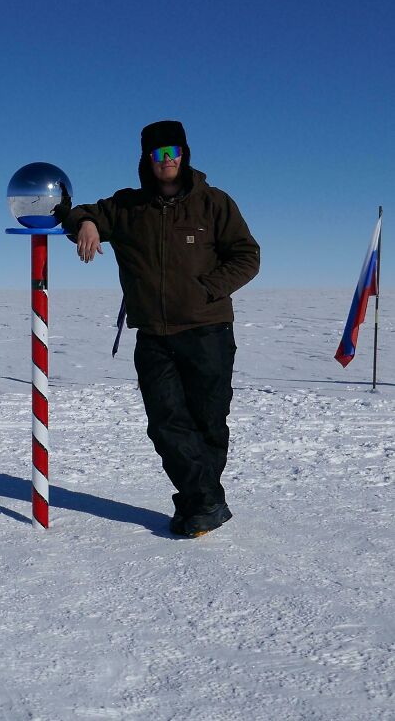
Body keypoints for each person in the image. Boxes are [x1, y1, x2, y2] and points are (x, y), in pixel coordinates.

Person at [56, 120, 260, 537]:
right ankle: (205, 502)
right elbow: (78, 212)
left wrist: (208, 290)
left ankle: (196, 504)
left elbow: (247, 255)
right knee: (165, 423)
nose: (166, 161)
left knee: (209, 423)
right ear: (146, 160)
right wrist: (87, 224)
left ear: (184, 155)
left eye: (173, 153)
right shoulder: (128, 207)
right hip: (152, 335)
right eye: (157, 154)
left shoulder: (213, 203)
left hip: (208, 332)